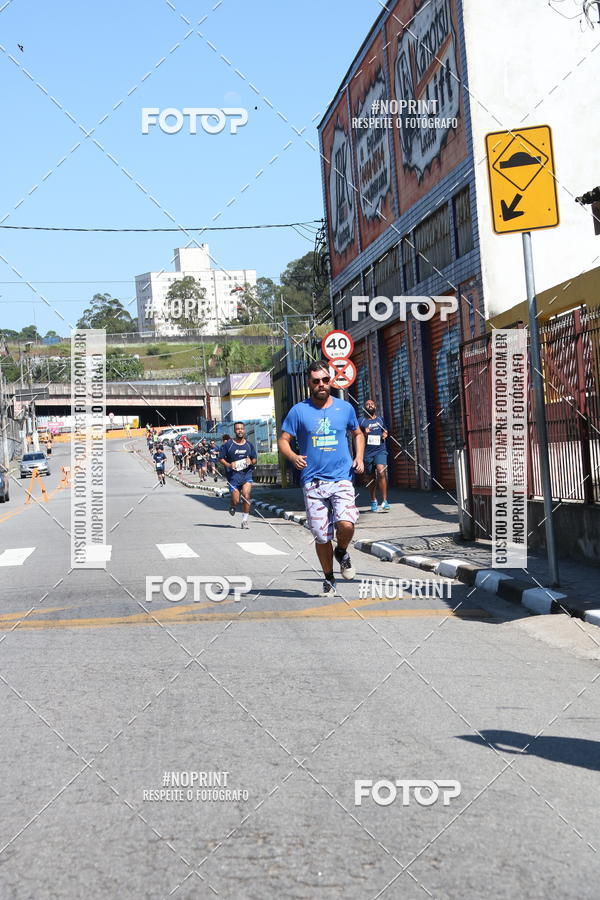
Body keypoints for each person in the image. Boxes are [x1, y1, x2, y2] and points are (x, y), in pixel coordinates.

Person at [278, 360, 365, 595]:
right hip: (312, 481)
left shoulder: (344, 408)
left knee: (346, 523)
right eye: (316, 381)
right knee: (321, 534)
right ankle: (328, 578)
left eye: (325, 380)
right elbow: (283, 440)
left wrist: (359, 457)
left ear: (331, 382)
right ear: (309, 383)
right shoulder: (298, 411)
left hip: (341, 478)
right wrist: (293, 456)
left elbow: (357, 433)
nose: (321, 385)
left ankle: (342, 551)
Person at [219, 422, 256, 529]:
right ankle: (233, 505)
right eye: (237, 429)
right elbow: (221, 458)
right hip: (233, 477)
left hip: (246, 475)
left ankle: (244, 520)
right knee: (236, 500)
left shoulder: (249, 445)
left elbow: (254, 459)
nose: (240, 431)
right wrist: (229, 465)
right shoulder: (228, 445)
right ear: (234, 431)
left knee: (246, 495)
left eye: (241, 429)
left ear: (244, 430)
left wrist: (250, 461)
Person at [358, 398, 390, 512]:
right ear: (364, 408)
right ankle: (373, 500)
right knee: (371, 477)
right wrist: (363, 433)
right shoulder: (361, 421)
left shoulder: (380, 420)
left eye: (372, 404)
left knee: (381, 471)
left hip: (380, 449)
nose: (370, 405)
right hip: (367, 452)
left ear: (375, 407)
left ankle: (385, 501)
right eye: (367, 404)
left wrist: (385, 434)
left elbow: (385, 430)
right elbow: (356, 436)